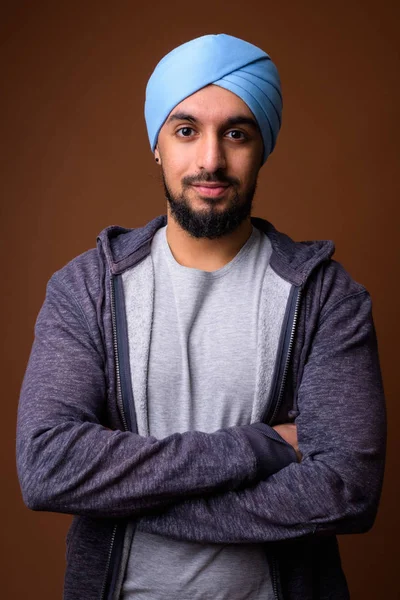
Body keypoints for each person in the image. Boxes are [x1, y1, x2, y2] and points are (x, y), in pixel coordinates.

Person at [17, 34, 386, 600]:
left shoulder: (326, 297)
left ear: (263, 146)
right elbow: (48, 464)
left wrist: (128, 500)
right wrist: (262, 448)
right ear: (157, 145)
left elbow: (346, 490)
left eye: (236, 133)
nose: (211, 159)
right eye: (186, 131)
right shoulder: (86, 288)